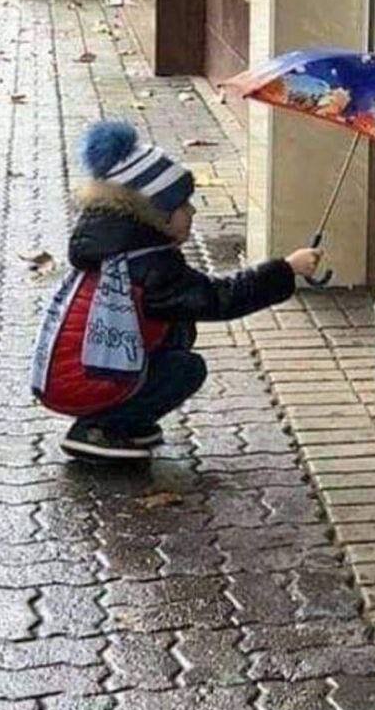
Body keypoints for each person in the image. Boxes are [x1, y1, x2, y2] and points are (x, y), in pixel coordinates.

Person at [30, 121, 322, 462]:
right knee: (186, 368)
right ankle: (103, 428)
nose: (193, 212)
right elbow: (219, 298)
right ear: (159, 215)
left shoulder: (117, 251)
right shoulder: (149, 266)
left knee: (177, 330)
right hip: (83, 382)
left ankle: (123, 420)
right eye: (184, 206)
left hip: (67, 377)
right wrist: (287, 269)